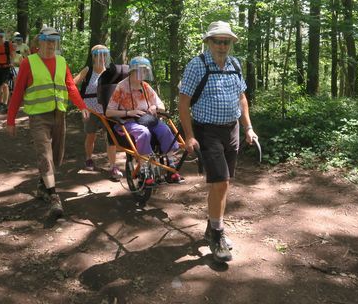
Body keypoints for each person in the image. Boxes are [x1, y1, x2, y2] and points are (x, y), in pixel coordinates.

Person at [178, 21, 258, 263]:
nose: (222, 46)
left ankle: (212, 226)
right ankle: (218, 236)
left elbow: (241, 98)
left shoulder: (235, 64)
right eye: (217, 41)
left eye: (226, 41)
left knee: (221, 183)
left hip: (231, 129)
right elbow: (183, 103)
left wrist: (249, 128)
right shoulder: (197, 65)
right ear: (208, 42)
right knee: (221, 182)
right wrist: (189, 135)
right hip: (207, 131)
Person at [6, 26, 89, 218]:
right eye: (48, 41)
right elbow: (18, 93)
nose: (52, 45)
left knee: (56, 156)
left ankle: (42, 186)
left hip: (59, 115)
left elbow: (70, 87)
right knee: (44, 153)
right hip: (38, 117)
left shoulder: (61, 61)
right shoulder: (29, 63)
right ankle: (54, 197)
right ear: (40, 41)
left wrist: (82, 106)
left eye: (54, 41)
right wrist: (11, 120)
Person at [105, 56, 183, 184]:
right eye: (141, 71)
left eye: (145, 71)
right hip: (128, 122)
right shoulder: (121, 87)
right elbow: (108, 112)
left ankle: (171, 165)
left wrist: (154, 106)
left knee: (165, 129)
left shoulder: (146, 86)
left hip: (147, 119)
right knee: (143, 132)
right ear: (132, 71)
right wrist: (129, 112)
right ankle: (145, 168)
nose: (143, 74)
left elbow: (162, 106)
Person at [73, 45, 122, 179]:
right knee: (91, 135)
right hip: (90, 110)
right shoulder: (87, 70)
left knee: (111, 138)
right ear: (93, 56)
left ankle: (113, 166)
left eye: (104, 54)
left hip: (106, 110)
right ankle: (89, 159)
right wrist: (79, 103)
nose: (101, 57)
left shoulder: (110, 72)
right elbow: (72, 84)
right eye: (98, 54)